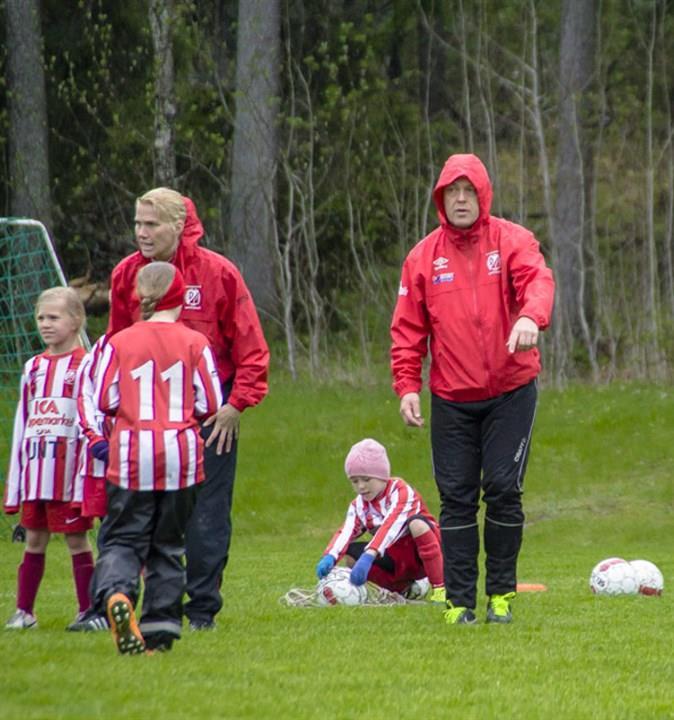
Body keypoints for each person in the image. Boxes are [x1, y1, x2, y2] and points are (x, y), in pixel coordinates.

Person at [84, 187, 268, 633]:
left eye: (151, 224)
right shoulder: (126, 274)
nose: (141, 233)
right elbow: (114, 347)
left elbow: (252, 349)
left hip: (208, 418)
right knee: (127, 513)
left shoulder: (218, 273)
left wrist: (235, 405)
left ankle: (201, 610)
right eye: (137, 224)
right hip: (143, 419)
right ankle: (112, 605)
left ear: (180, 225)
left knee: (205, 516)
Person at [390, 153, 555, 625]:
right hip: (451, 398)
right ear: (440, 199)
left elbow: (538, 282)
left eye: (468, 191)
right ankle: (459, 602)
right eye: (451, 192)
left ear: (482, 195)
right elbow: (407, 330)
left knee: (503, 488)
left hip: (511, 391)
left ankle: (500, 596)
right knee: (457, 496)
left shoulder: (513, 241)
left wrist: (529, 317)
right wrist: (407, 386)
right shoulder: (422, 257)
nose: (460, 200)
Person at [90, 262, 223, 654]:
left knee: (123, 538)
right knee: (168, 544)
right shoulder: (195, 343)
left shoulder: (120, 342)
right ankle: (160, 631)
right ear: (181, 297)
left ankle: (117, 594)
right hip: (181, 457)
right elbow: (210, 402)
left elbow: (104, 400)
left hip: (131, 455)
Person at [3, 287, 95, 630]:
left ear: (75, 320)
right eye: (41, 317)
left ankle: (87, 610)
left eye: (53, 317)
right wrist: (17, 479)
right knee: (34, 539)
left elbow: (93, 418)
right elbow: (23, 422)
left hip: (70, 474)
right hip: (36, 473)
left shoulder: (86, 365)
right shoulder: (33, 368)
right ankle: (25, 612)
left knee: (76, 539)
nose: (45, 324)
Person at [315, 438, 445, 602]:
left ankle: (440, 588)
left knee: (417, 524)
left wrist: (369, 555)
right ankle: (403, 590)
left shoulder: (401, 491)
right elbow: (346, 532)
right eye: (355, 481)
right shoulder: (358, 505)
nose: (361, 486)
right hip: (395, 558)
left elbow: (391, 525)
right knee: (350, 555)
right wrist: (329, 556)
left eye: (366, 479)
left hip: (425, 554)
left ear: (383, 476)